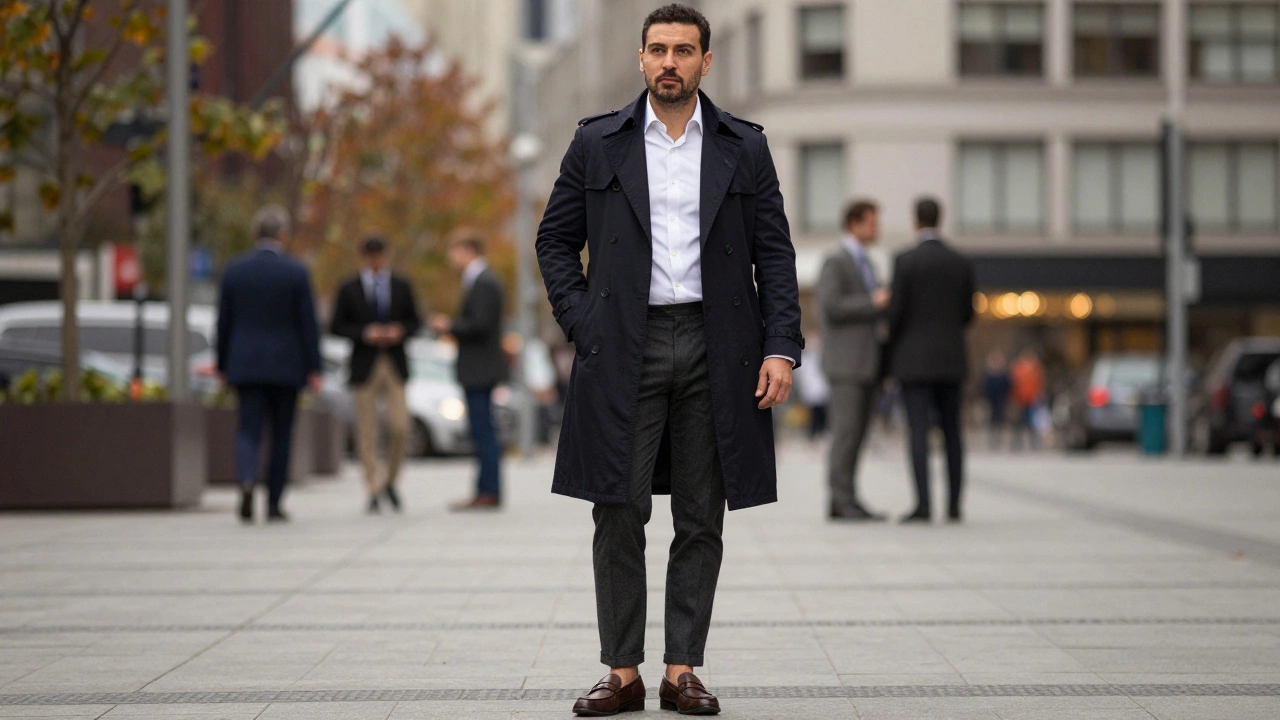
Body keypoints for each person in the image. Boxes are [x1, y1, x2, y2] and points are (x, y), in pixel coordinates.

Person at [536, 5, 804, 715]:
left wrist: (781, 345)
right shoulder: (598, 142)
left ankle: (681, 668)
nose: (670, 62)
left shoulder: (744, 147)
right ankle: (621, 672)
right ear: (641, 57)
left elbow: (774, 254)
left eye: (684, 51)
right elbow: (554, 241)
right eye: (658, 49)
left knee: (700, 514)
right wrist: (583, 321)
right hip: (624, 343)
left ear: (706, 62)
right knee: (616, 508)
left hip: (722, 347)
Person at [215, 205, 322, 524]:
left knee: (248, 429)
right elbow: (308, 324)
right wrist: (314, 367)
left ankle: (247, 478)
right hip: (287, 366)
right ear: (283, 235)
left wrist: (223, 363)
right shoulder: (295, 271)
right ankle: (274, 502)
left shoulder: (235, 270)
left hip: (245, 364)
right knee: (281, 434)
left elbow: (224, 322)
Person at [886, 197, 976, 524]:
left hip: (914, 362)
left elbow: (895, 313)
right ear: (941, 218)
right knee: (953, 433)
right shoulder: (960, 261)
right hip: (952, 360)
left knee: (919, 432)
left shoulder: (905, 261)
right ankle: (954, 505)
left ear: (915, 221)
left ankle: (923, 506)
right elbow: (968, 313)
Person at [329, 236, 422, 513]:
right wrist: (364, 333)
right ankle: (372, 486)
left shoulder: (401, 285)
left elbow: (416, 321)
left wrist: (399, 331)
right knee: (366, 430)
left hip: (394, 363)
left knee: (400, 426)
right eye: (371, 256)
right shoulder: (349, 287)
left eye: (380, 255)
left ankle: (390, 481)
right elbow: (335, 325)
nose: (376, 262)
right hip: (364, 364)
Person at [818, 199, 890, 522]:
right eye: (872, 223)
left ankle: (849, 496)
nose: (877, 229)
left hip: (866, 362)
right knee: (845, 434)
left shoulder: (868, 263)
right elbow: (832, 307)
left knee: (858, 435)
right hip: (845, 364)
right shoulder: (836, 260)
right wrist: (871, 302)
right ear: (854, 223)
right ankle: (839, 499)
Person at [430, 234, 507, 511]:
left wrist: (449, 326)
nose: (452, 259)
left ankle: (488, 491)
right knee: (482, 430)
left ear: (468, 250)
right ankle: (485, 490)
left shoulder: (484, 281)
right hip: (480, 368)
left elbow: (480, 325)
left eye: (455, 251)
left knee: (483, 431)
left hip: (480, 369)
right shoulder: (481, 280)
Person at [1009, 347, 1046, 451]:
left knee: (1032, 422)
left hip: (1031, 399)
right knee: (1019, 423)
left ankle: (1034, 442)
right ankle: (1017, 443)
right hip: (1020, 399)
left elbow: (1039, 384)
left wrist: (1038, 395)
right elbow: (1013, 384)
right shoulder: (1018, 368)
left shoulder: (1036, 369)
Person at [794, 337, 829, 440]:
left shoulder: (820, 358)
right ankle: (813, 433)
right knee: (813, 415)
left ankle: (819, 432)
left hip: (820, 391)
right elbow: (802, 377)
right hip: (811, 392)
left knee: (821, 414)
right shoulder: (804, 360)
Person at [982, 350, 1012, 450]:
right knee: (992, 419)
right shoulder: (989, 375)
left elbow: (1008, 386)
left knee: (1000, 419)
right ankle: (993, 439)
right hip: (991, 401)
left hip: (1001, 401)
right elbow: (984, 388)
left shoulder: (1004, 375)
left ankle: (999, 438)